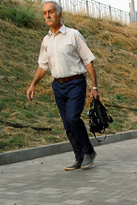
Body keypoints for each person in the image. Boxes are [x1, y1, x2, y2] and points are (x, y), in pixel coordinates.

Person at [27, 1, 99, 171]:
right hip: (57, 86)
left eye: (51, 12)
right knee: (67, 124)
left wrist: (94, 87)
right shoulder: (46, 40)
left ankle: (89, 151)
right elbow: (42, 66)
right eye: (44, 13)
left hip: (75, 83)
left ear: (60, 14)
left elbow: (88, 61)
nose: (47, 15)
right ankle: (79, 157)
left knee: (73, 118)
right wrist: (33, 85)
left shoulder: (73, 35)